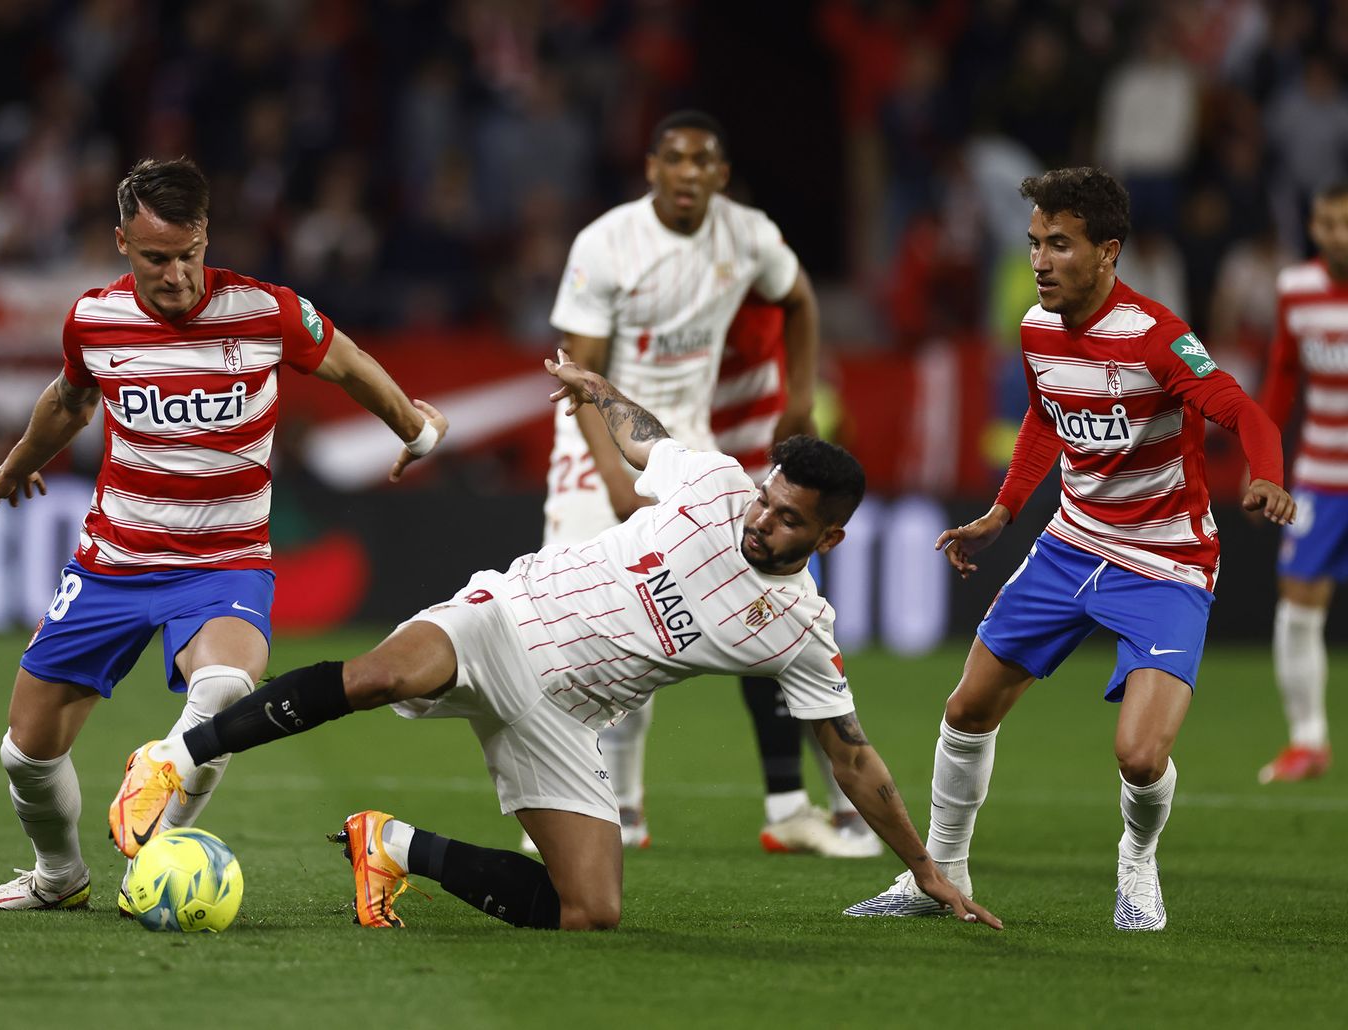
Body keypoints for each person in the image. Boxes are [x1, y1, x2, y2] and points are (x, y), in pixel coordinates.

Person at [106, 352, 1003, 933]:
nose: (762, 520)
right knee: (384, 673)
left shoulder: (801, 628)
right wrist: (601, 391)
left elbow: (852, 761)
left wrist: (923, 867)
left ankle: (389, 847)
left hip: (570, 715)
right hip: (510, 619)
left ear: (830, 539)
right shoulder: (716, 483)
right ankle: (179, 755)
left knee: (590, 910)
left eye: (787, 519)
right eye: (768, 499)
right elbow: (647, 438)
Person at [0, 158, 445, 913]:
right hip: (115, 562)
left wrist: (414, 429)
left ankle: (148, 865)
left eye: (189, 255)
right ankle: (59, 877)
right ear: (122, 241)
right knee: (24, 753)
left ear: (206, 236)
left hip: (224, 563)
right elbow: (69, 399)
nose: (178, 275)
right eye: (157, 258)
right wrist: (19, 462)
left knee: (223, 693)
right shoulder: (94, 319)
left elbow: (346, 363)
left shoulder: (265, 311)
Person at [846, 167, 1295, 932]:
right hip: (1071, 545)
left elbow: (1243, 410)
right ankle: (938, 875)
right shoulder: (1036, 328)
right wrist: (1003, 511)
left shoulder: (1156, 337)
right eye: (1033, 244)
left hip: (1165, 560)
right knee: (966, 708)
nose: (1041, 261)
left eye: (1060, 244)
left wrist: (1267, 476)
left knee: (1140, 757)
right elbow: (1044, 417)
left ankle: (1136, 864)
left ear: (1108, 251)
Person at [541, 109, 826, 852]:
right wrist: (611, 478)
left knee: (668, 623)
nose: (690, 173)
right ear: (652, 168)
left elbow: (799, 298)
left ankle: (650, 809)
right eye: (676, 159)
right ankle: (605, 805)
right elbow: (579, 380)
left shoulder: (748, 234)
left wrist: (800, 399)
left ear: (721, 176)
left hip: (683, 446)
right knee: (573, 629)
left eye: (704, 161)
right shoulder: (606, 244)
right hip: (596, 439)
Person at [714, 297, 880, 857]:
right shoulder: (776, 385)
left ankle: (828, 809)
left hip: (774, 536)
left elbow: (829, 469)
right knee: (792, 664)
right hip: (752, 529)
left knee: (793, 663)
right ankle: (817, 809)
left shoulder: (779, 387)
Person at [1255, 180, 1348, 784]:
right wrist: (1266, 465)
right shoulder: (1296, 289)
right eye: (1326, 223)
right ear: (1313, 228)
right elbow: (1283, 376)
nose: (1337, 234)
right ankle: (1308, 741)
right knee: (1297, 605)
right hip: (1319, 476)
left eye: (1345, 222)